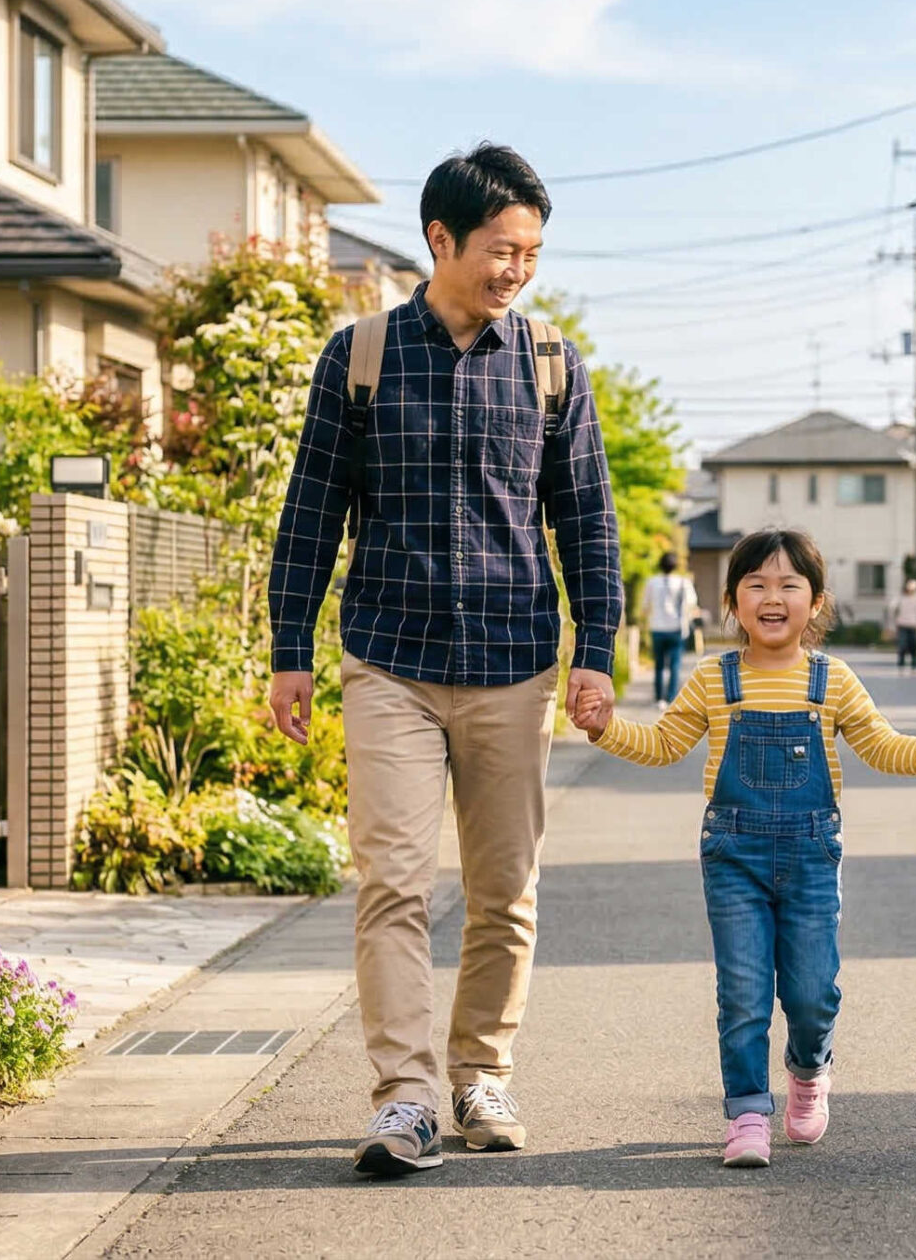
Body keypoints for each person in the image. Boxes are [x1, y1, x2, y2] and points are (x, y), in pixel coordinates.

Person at [266, 143, 621, 1179]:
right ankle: (408, 1097)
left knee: (506, 887)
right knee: (391, 881)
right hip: (389, 660)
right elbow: (310, 513)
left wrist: (593, 652)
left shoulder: (550, 365)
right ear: (440, 240)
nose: (516, 268)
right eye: (501, 249)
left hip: (514, 661)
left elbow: (586, 520)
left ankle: (479, 1071)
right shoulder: (362, 354)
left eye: (532, 252)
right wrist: (290, 649)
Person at [576, 529, 916, 1168]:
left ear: (816, 603)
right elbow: (664, 744)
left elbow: (882, 745)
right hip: (734, 857)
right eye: (756, 584)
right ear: (732, 602)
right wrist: (605, 728)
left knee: (813, 992)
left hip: (813, 857)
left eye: (790, 584)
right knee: (743, 991)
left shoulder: (831, 681)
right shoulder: (714, 678)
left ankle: (809, 1070)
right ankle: (748, 1112)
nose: (772, 596)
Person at [642, 551, 697, 703]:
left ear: (660, 565)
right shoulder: (682, 582)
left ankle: (659, 697)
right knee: (674, 665)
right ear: (675, 566)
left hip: (657, 627)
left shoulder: (652, 582)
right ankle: (671, 697)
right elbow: (692, 602)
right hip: (676, 628)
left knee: (659, 665)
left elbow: (645, 606)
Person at [888, 576, 916, 671]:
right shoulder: (900, 597)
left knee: (914, 644)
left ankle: (914, 662)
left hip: (914, 624)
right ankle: (901, 661)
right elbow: (892, 608)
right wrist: (894, 621)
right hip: (902, 624)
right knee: (902, 644)